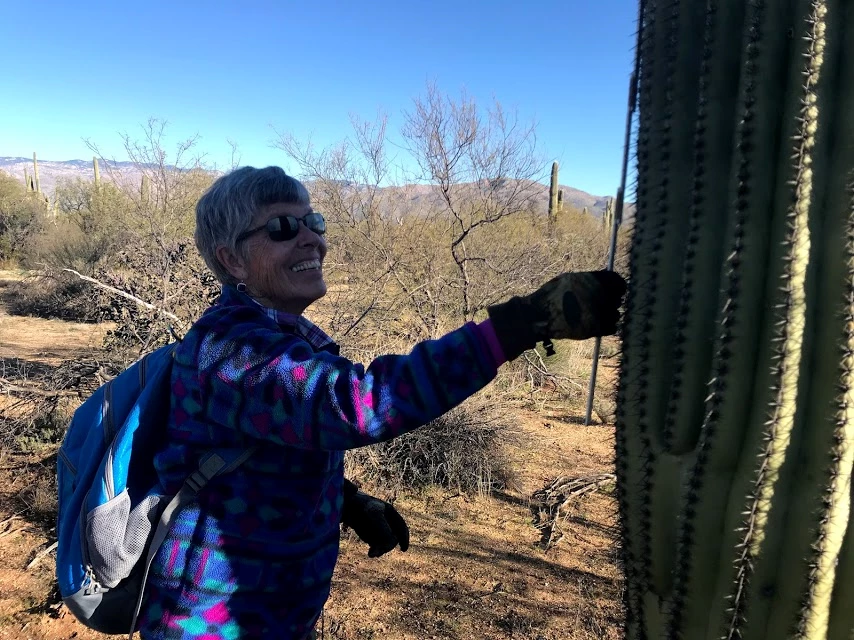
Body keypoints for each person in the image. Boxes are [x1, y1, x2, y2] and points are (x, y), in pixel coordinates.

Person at [137, 166, 626, 640]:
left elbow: (267, 449)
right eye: (284, 227)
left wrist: (347, 502)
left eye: (314, 222)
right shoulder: (230, 348)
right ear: (232, 260)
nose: (311, 238)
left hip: (272, 615)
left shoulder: (281, 337)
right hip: (212, 624)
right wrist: (520, 325)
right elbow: (355, 406)